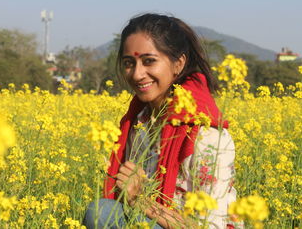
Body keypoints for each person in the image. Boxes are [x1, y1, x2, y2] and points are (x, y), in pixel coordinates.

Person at [84, 13, 240, 228]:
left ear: (178, 64)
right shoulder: (139, 124)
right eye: (129, 63)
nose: (137, 74)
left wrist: (140, 200)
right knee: (101, 211)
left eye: (149, 61)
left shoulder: (206, 136)